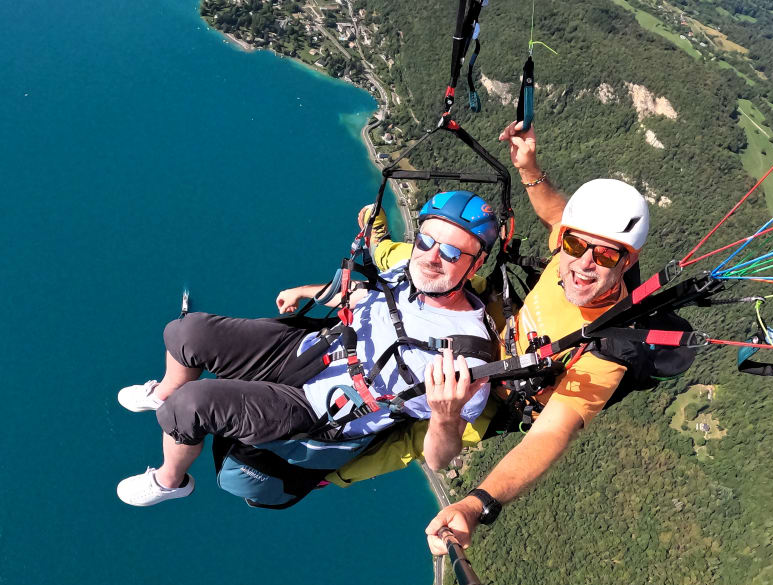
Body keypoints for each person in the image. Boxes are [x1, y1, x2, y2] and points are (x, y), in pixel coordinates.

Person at [114, 190, 498, 507]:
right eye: (426, 241)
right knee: (186, 333)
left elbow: (438, 457)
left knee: (190, 408)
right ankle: (163, 391)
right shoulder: (408, 273)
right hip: (307, 348)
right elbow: (360, 297)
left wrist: (445, 416)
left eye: (450, 253)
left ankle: (170, 480)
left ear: (476, 262)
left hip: (320, 408)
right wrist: (305, 291)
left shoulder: (467, 359)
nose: (431, 257)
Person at [423, 122, 651, 553]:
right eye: (575, 245)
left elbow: (551, 433)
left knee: (406, 428)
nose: (585, 263)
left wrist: (476, 503)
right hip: (493, 335)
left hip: (501, 399)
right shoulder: (571, 243)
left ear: (626, 262)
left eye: (604, 255)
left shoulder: (609, 349)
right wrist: (529, 167)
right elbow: (555, 211)